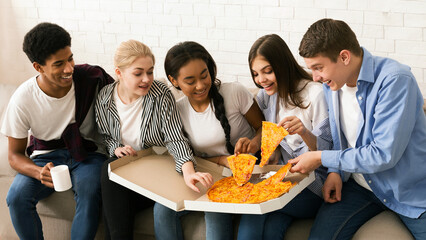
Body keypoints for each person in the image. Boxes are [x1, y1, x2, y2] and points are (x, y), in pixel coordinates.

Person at [288, 18, 426, 239]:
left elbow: (383, 154)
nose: (315, 77)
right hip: (361, 186)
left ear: (344, 57)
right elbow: (340, 138)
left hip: (409, 192)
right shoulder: (331, 86)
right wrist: (335, 172)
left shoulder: (395, 81)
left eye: (318, 67)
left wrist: (322, 158)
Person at [0, 22, 114, 240]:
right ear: (38, 67)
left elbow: (122, 101)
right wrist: (38, 172)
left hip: (87, 154)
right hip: (46, 158)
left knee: (91, 192)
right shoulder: (23, 99)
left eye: (70, 58)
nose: (69, 68)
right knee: (16, 198)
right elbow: (14, 155)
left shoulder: (90, 79)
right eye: (59, 64)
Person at [95, 39, 213, 239]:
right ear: (119, 73)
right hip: (127, 178)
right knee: (109, 170)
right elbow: (106, 136)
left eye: (150, 71)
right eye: (138, 73)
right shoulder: (105, 97)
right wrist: (117, 148)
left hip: (157, 175)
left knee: (112, 198)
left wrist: (188, 172)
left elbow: (175, 138)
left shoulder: (160, 95)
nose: (146, 79)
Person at [236, 34, 331, 240]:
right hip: (282, 177)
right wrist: (257, 145)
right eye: (256, 74)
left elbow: (328, 152)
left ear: (283, 64)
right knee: (270, 228)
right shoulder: (266, 96)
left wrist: (304, 132)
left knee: (253, 204)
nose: (261, 80)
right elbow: (268, 135)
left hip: (312, 183)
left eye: (268, 71)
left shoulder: (315, 94)